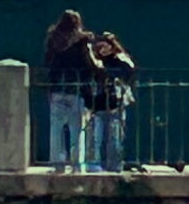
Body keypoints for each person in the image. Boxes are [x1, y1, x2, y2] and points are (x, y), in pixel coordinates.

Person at [42, 10, 99, 168]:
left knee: (56, 129)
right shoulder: (82, 40)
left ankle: (57, 164)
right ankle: (77, 165)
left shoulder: (52, 40)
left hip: (57, 88)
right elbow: (89, 64)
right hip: (77, 88)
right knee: (77, 131)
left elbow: (48, 63)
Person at [86, 29, 138, 173]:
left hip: (116, 103)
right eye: (100, 46)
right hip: (98, 103)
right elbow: (95, 72)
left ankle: (114, 165)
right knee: (95, 137)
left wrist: (118, 55)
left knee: (115, 137)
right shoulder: (94, 61)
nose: (102, 49)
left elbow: (130, 69)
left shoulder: (119, 60)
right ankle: (94, 165)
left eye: (105, 45)